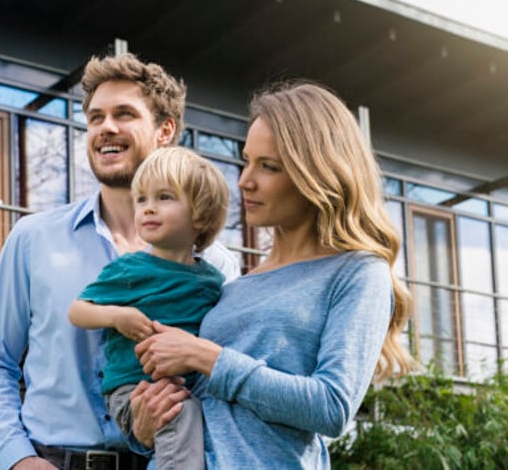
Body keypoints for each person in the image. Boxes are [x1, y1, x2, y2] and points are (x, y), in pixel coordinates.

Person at [0, 53, 240, 470]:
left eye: (124, 114)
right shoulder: (33, 239)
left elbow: (219, 380)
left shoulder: (216, 265)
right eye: (95, 117)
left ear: (165, 130)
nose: (106, 128)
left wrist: (154, 431)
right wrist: (17, 458)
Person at [128, 80, 415, 468]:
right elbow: (201, 406)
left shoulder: (358, 273)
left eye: (269, 166)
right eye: (246, 160)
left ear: (314, 173)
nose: (245, 180)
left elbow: (332, 407)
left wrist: (205, 356)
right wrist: (144, 427)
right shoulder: (234, 286)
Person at [68, 146, 230, 470]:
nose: (148, 209)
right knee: (180, 413)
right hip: (133, 389)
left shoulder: (214, 281)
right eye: (141, 199)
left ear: (200, 213)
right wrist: (116, 316)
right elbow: (77, 311)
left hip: (190, 385)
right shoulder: (129, 270)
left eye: (164, 198)